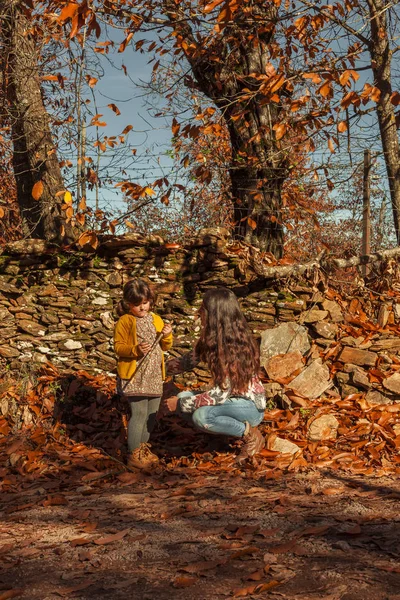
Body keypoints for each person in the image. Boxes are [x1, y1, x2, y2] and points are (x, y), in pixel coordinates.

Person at [164, 287, 266, 461]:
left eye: (203, 309)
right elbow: (184, 363)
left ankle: (251, 436)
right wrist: (155, 368)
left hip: (249, 407)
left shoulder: (232, 350)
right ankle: (219, 438)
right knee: (183, 396)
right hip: (229, 401)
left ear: (214, 314)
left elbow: (219, 395)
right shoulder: (210, 341)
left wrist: (179, 404)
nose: (198, 312)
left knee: (201, 415)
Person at [114, 278, 173, 469]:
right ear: (128, 304)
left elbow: (166, 345)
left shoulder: (156, 318)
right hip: (136, 374)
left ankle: (143, 450)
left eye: (145, 303)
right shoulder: (125, 321)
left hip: (154, 374)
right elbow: (119, 347)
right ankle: (133, 454)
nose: (142, 308)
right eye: (137, 305)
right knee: (139, 413)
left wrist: (167, 334)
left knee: (152, 414)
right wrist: (135, 350)